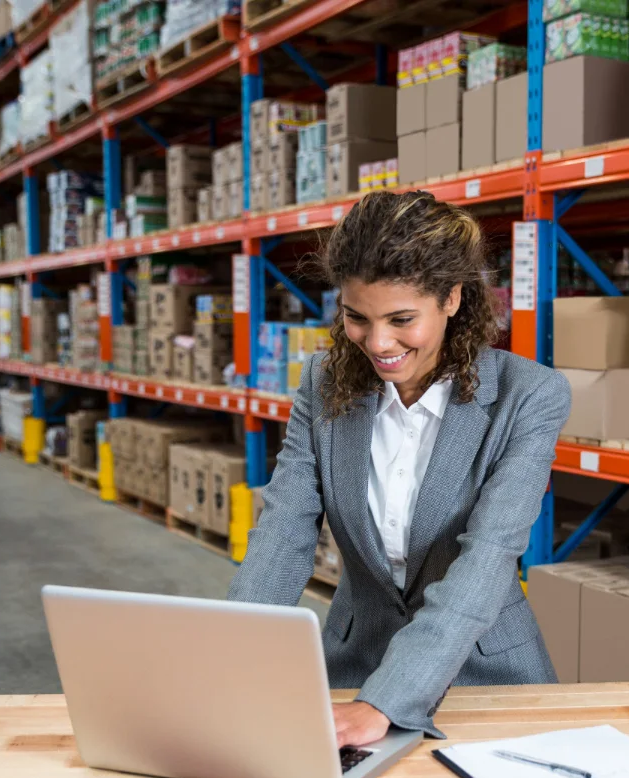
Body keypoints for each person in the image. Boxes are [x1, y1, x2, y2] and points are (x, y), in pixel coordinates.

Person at [228, 190, 572, 748]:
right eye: (357, 318)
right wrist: (230, 654)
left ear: (452, 298)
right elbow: (284, 531)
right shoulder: (324, 383)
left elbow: (488, 556)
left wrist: (387, 700)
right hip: (352, 666)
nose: (378, 343)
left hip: (482, 676)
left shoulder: (528, 395)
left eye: (402, 319)